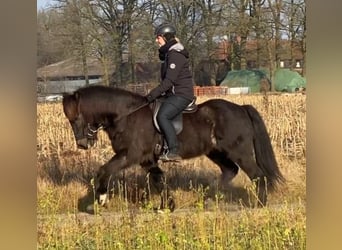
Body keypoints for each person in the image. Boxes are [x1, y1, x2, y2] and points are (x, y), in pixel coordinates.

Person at [145, 23, 195, 161]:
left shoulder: (175, 55)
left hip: (181, 95)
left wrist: (151, 95)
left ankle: (173, 150)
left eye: (158, 37)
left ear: (165, 38)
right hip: (173, 94)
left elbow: (168, 82)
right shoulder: (169, 55)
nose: (156, 40)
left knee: (163, 116)